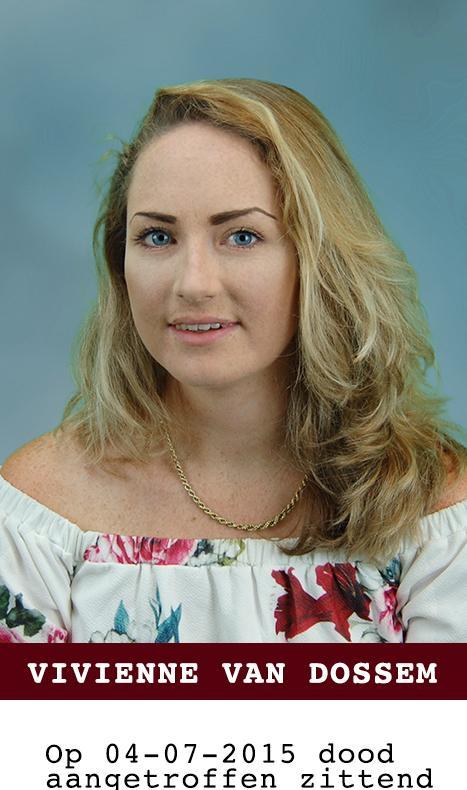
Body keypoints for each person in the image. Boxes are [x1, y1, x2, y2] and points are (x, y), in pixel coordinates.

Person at [1, 78, 466, 644]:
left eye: (242, 236)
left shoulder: (438, 518)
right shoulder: (38, 516)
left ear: (320, 260)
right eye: (157, 237)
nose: (193, 284)